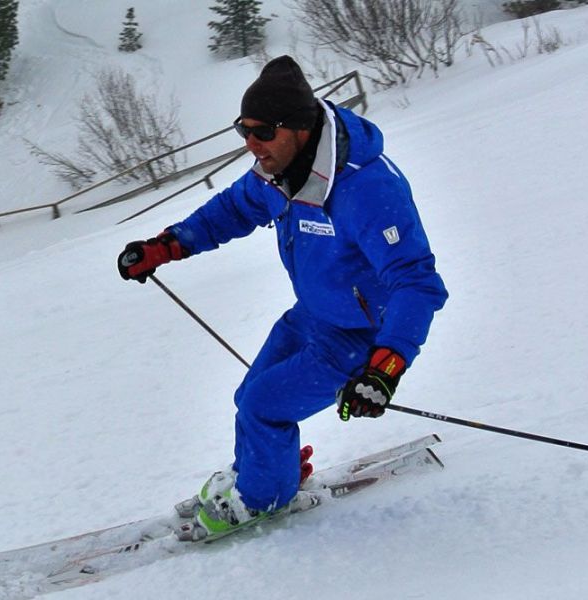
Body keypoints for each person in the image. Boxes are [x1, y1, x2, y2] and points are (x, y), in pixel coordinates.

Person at [117, 56, 448, 540]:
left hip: (361, 337)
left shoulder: (367, 188)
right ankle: (264, 474)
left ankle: (263, 498)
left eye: (263, 132)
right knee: (250, 395)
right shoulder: (279, 169)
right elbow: (232, 209)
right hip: (313, 315)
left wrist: (386, 367)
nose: (252, 145)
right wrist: (166, 246)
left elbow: (416, 282)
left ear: (298, 128)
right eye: (243, 131)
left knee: (265, 406)